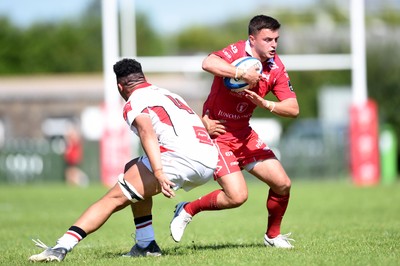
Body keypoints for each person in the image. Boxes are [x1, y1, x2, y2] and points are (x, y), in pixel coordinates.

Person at [29, 58, 218, 262]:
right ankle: (146, 244)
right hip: (208, 157)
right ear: (143, 78)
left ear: (120, 86)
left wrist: (159, 172)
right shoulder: (170, 94)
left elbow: (147, 132)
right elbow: (195, 122)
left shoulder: (134, 101)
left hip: (179, 158)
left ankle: (60, 247)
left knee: (112, 199)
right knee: (132, 168)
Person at [170, 15, 299, 248]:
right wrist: (240, 74)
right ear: (252, 39)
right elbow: (208, 63)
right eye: (267, 39)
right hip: (217, 135)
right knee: (237, 197)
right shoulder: (236, 52)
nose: (274, 45)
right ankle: (188, 209)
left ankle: (272, 236)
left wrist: (266, 104)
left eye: (276, 39)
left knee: (282, 184)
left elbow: (293, 108)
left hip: (244, 135)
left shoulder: (275, 67)